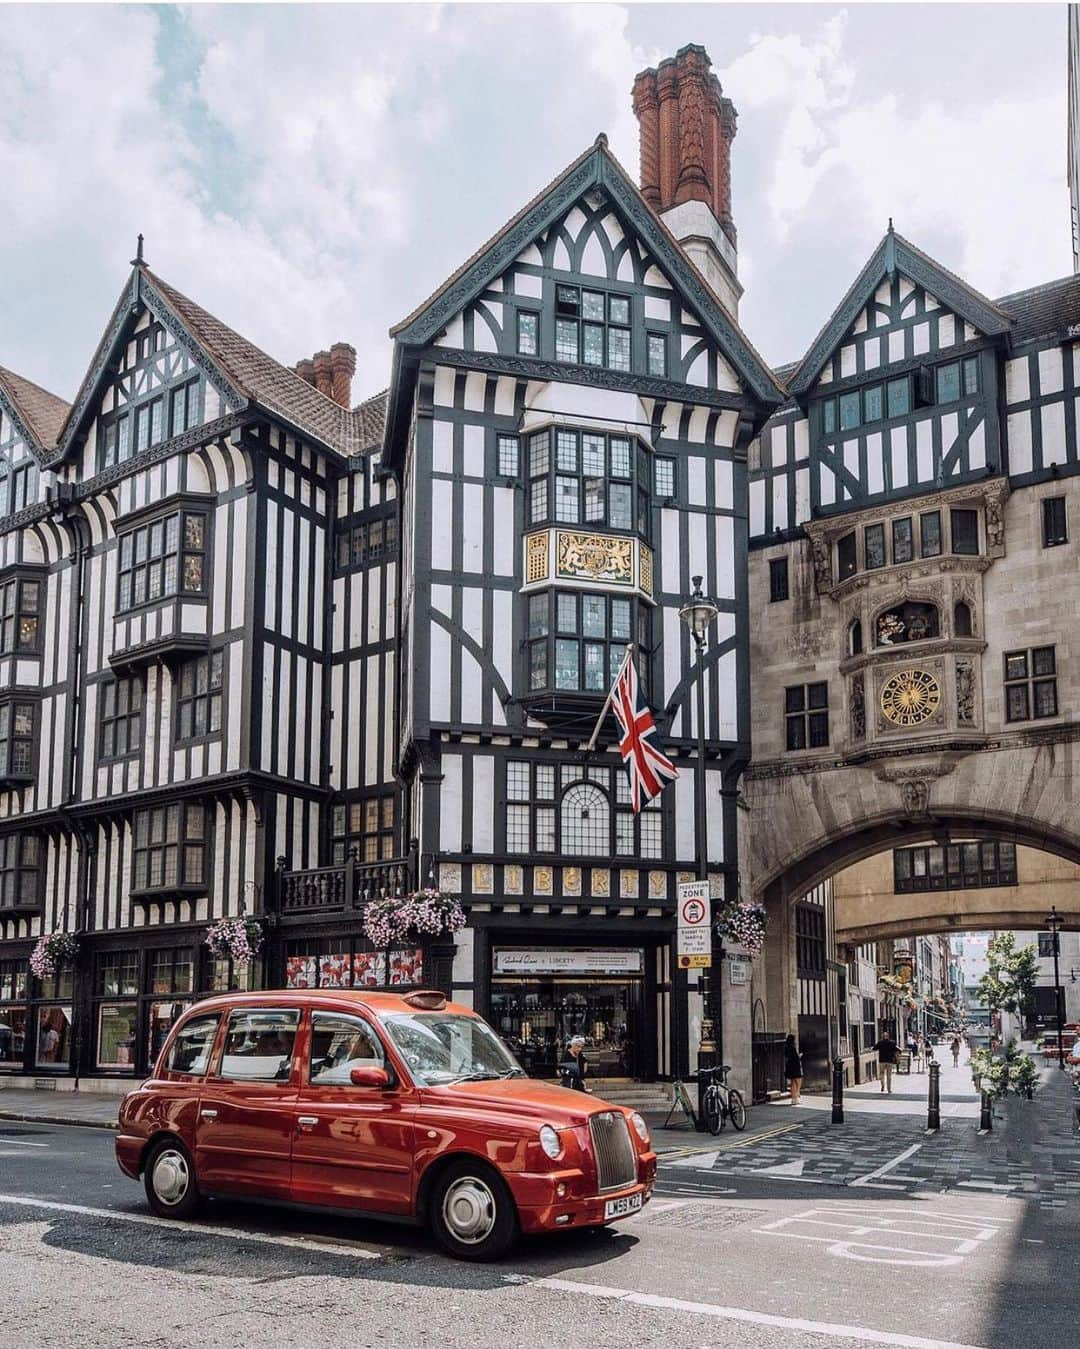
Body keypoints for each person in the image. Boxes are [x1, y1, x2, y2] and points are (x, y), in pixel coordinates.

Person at [784, 1033, 804, 1105]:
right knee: (798, 1081)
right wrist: (799, 1056)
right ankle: (797, 1095)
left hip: (790, 1067)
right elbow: (795, 1058)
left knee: (793, 1082)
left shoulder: (786, 1047)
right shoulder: (792, 1048)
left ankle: (794, 1099)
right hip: (795, 1066)